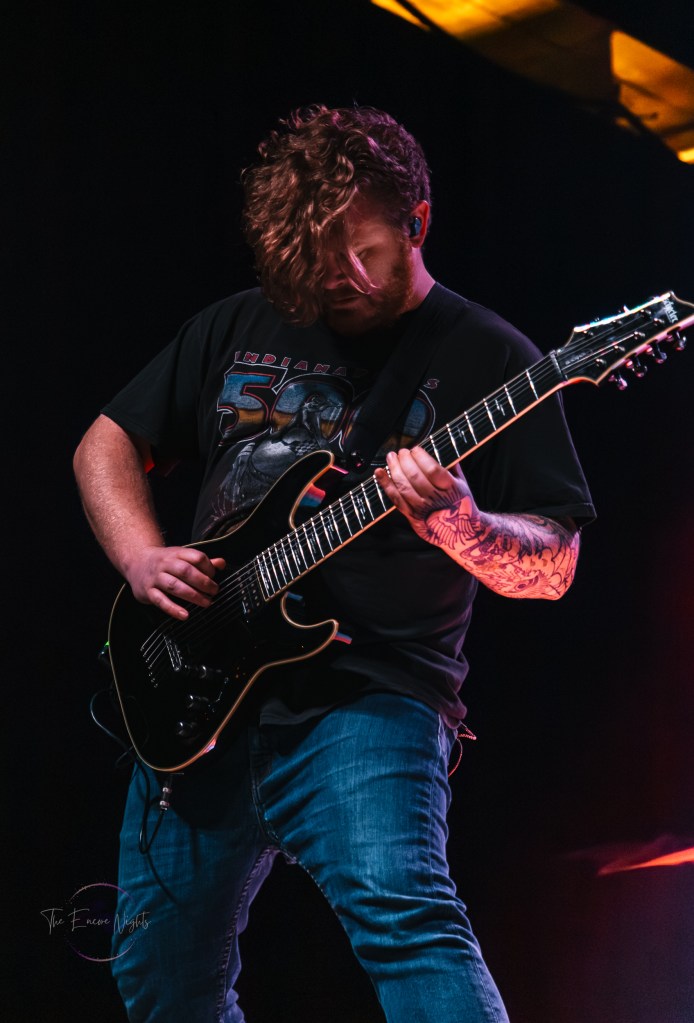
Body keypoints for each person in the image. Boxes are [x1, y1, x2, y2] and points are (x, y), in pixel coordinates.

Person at [73, 105, 595, 1023]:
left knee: (408, 922)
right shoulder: (238, 324)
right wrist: (141, 555)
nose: (334, 279)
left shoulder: (491, 356)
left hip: (370, 698)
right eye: (312, 258)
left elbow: (554, 565)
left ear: (417, 222)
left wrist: (461, 523)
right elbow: (105, 442)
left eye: (362, 252)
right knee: (160, 977)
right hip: (196, 695)